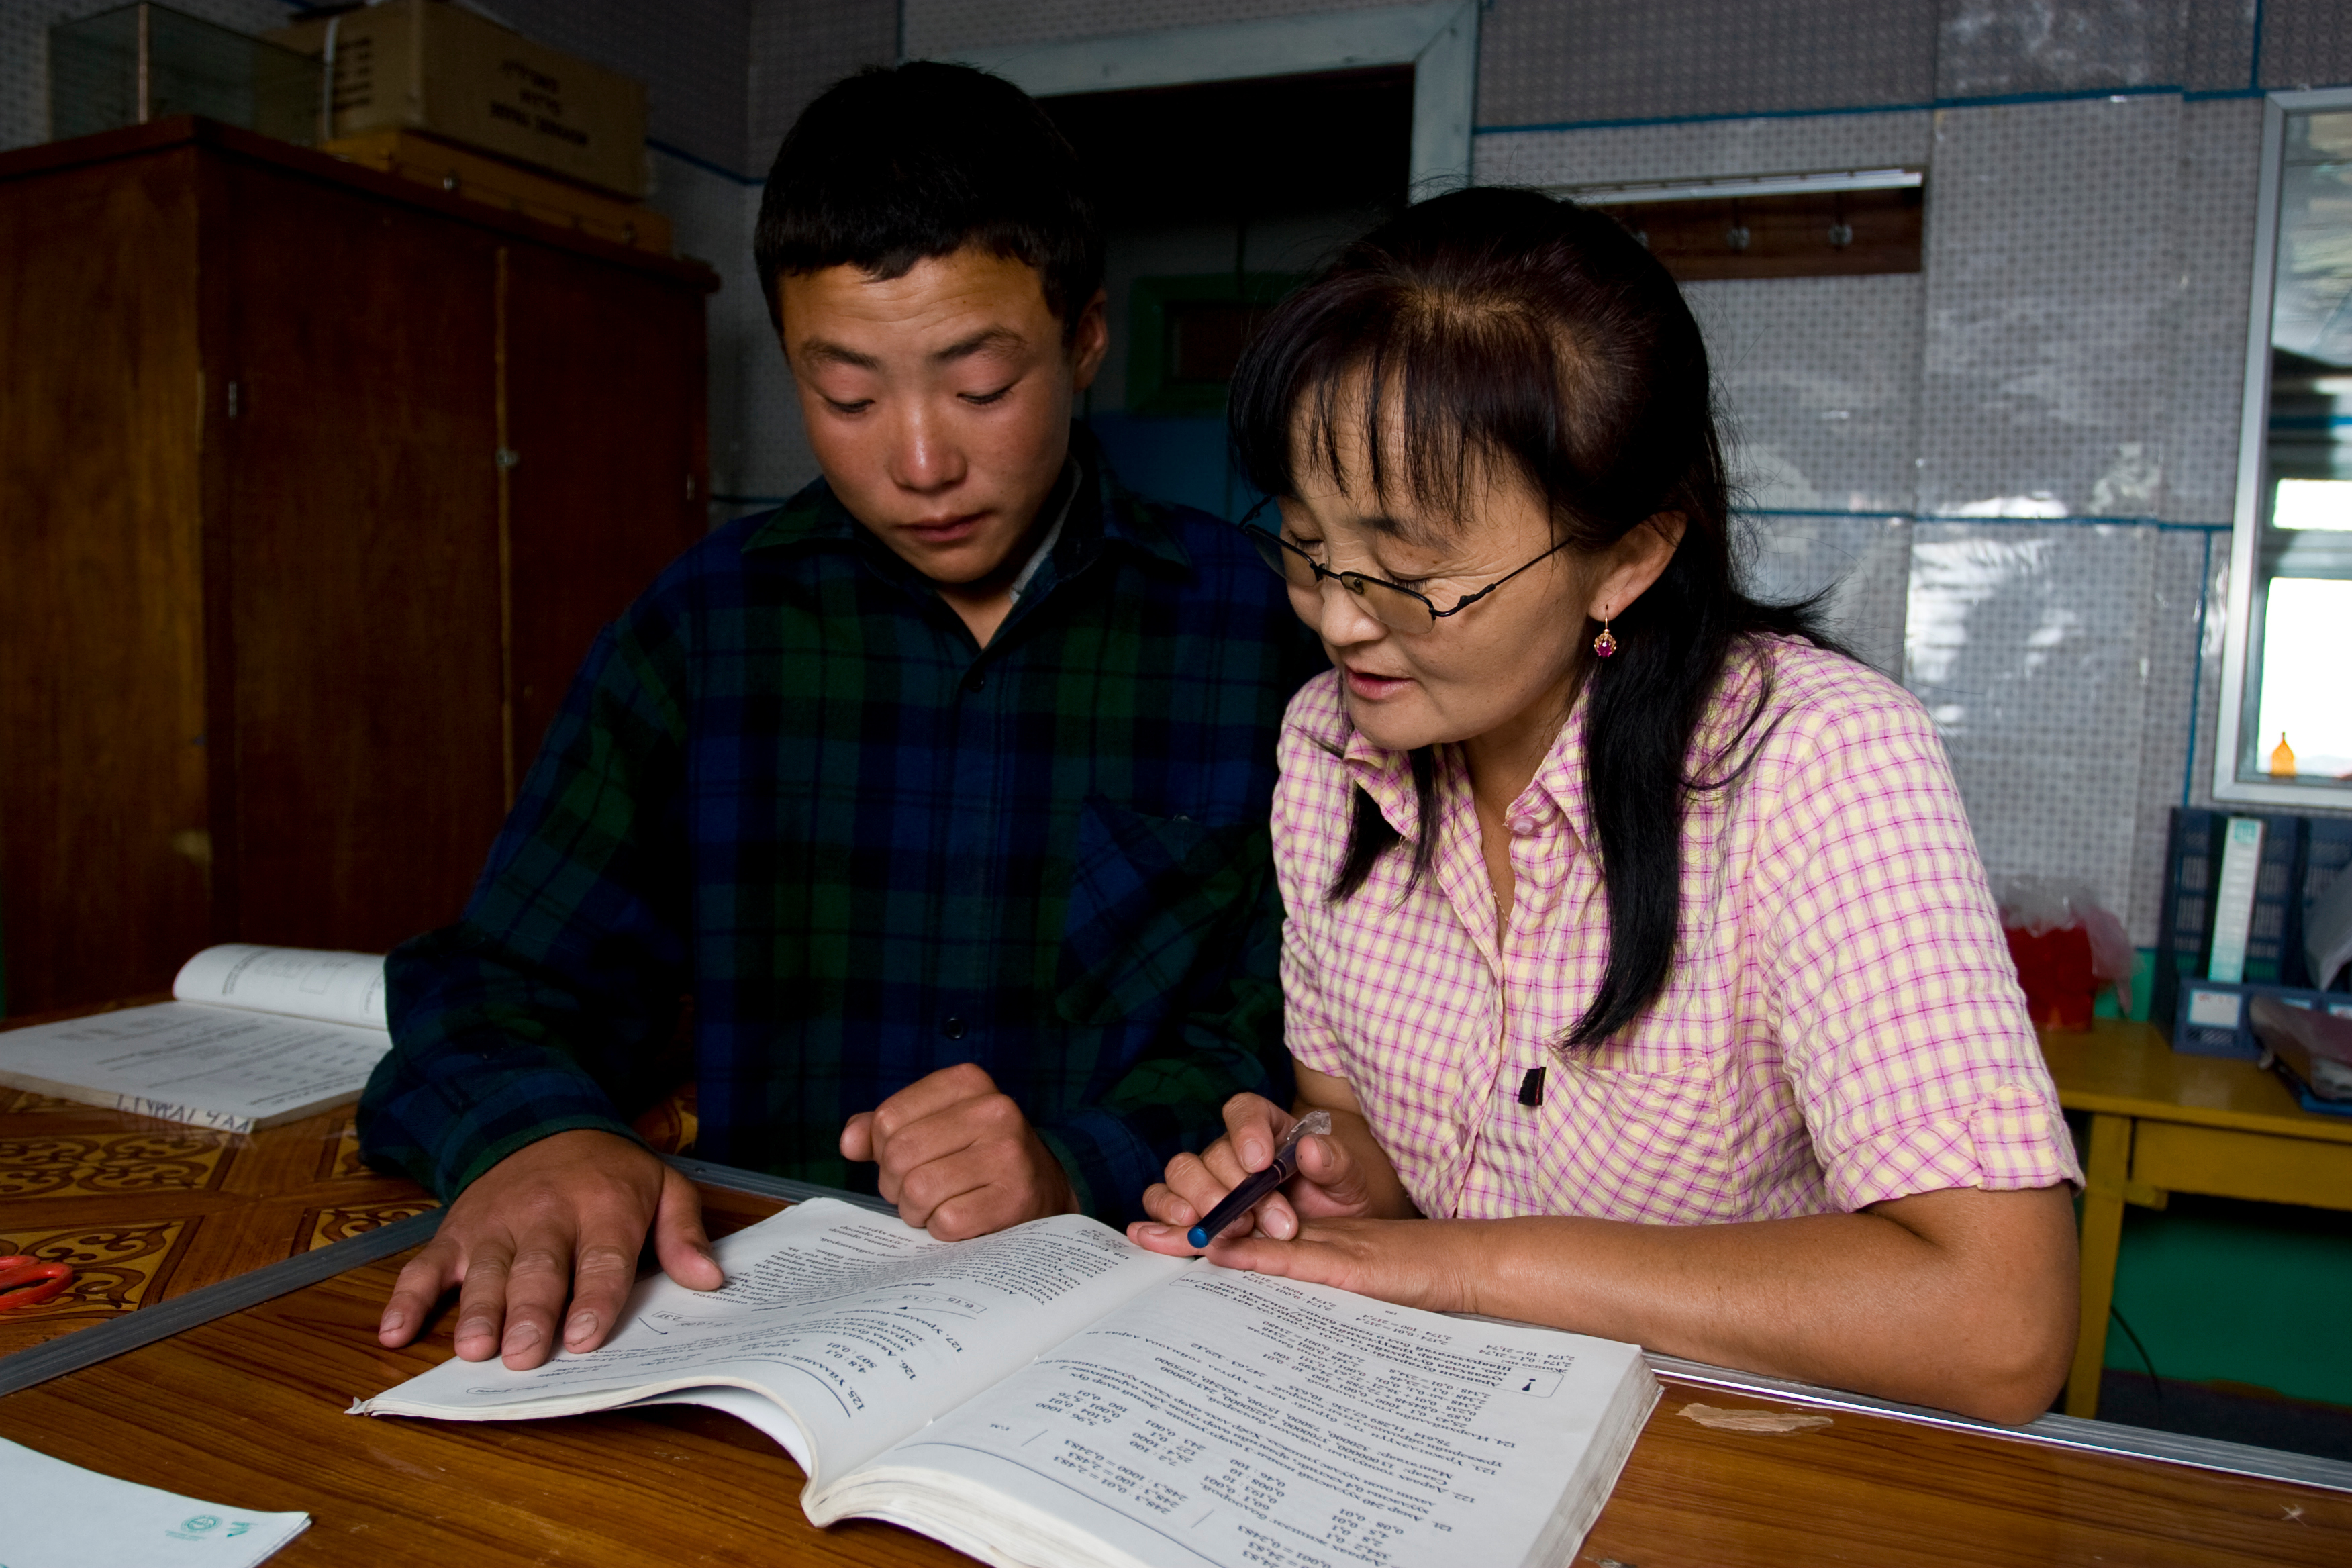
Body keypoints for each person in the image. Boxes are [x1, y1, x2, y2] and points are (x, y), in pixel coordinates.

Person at [361, 62, 1322, 1372]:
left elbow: (1296, 1040)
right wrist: (538, 1131)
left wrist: (1070, 1160)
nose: (920, 461)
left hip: (1138, 1318)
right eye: (850, 397)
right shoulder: (703, 627)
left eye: (981, 386)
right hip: (760, 1324)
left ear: (1086, 336)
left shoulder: (1260, 633)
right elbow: (498, 978)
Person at [1130, 187, 2082, 1425]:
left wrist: (1469, 1269)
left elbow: (2000, 1321)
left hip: (1746, 1474)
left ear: (1627, 558)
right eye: (1309, 546)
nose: (1341, 618)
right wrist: (1336, 1187)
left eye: (1413, 575)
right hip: (1446, 1434)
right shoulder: (1333, 744)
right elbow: (1354, 1122)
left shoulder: (1817, 761)